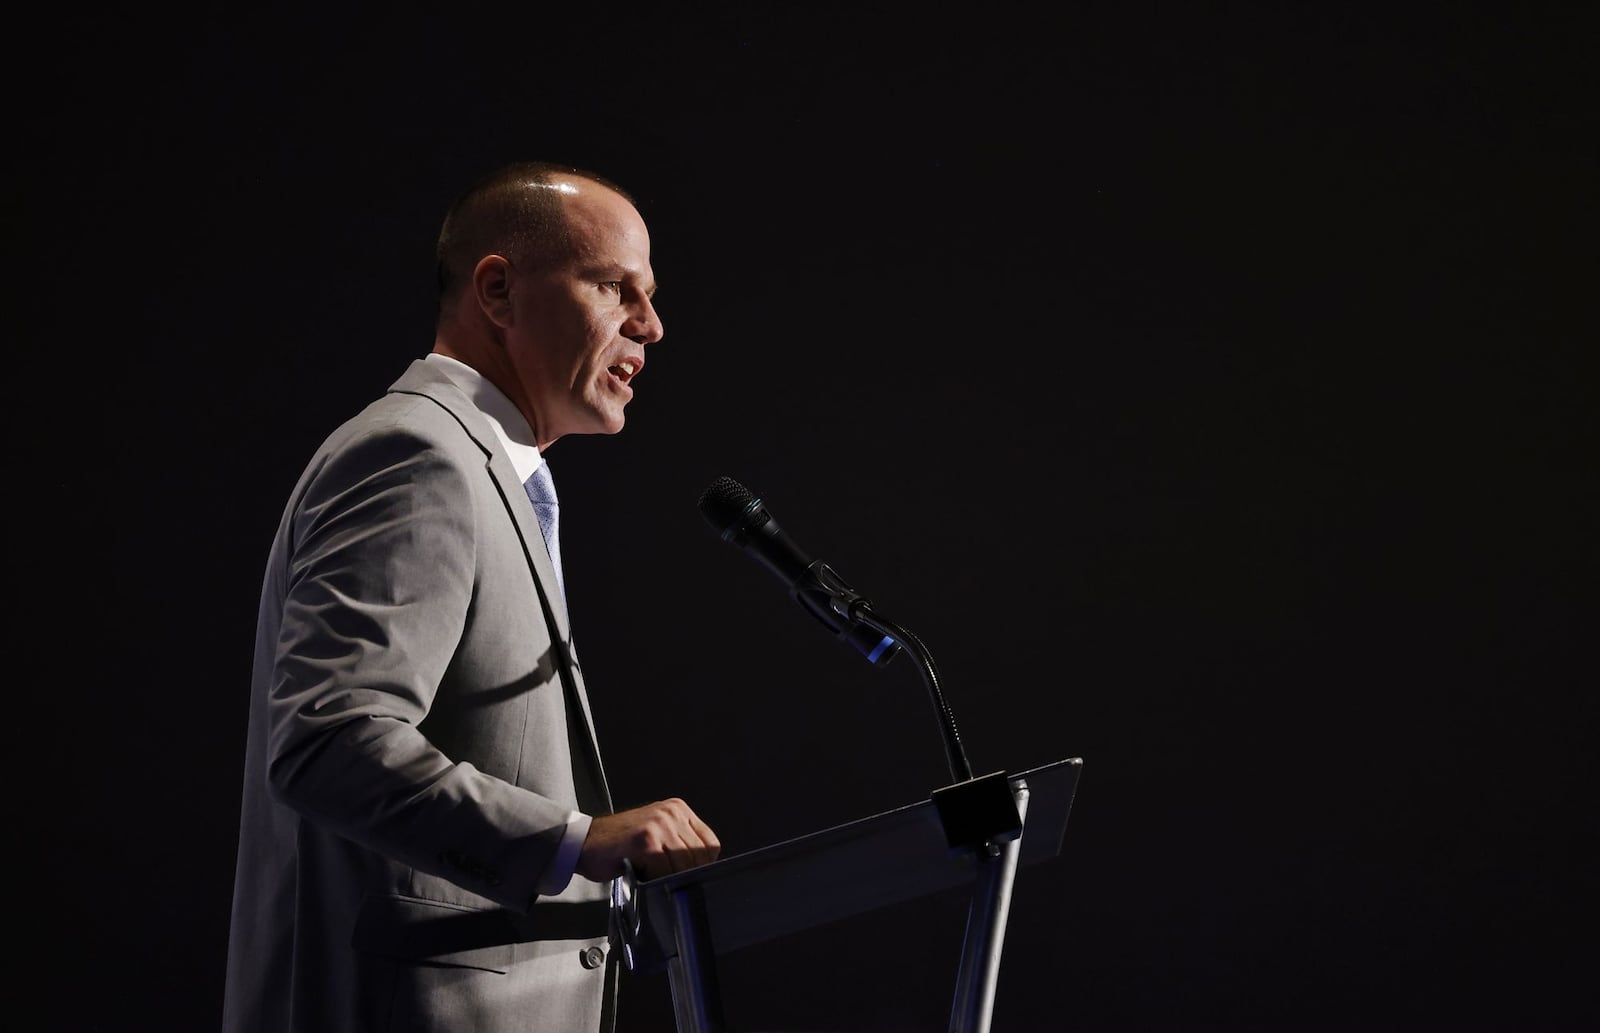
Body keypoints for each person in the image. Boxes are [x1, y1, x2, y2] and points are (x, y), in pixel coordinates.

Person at [222, 161, 721, 1033]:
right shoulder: (418, 456)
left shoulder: (489, 466)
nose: (652, 324)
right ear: (498, 290)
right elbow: (327, 743)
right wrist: (578, 840)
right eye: (616, 288)